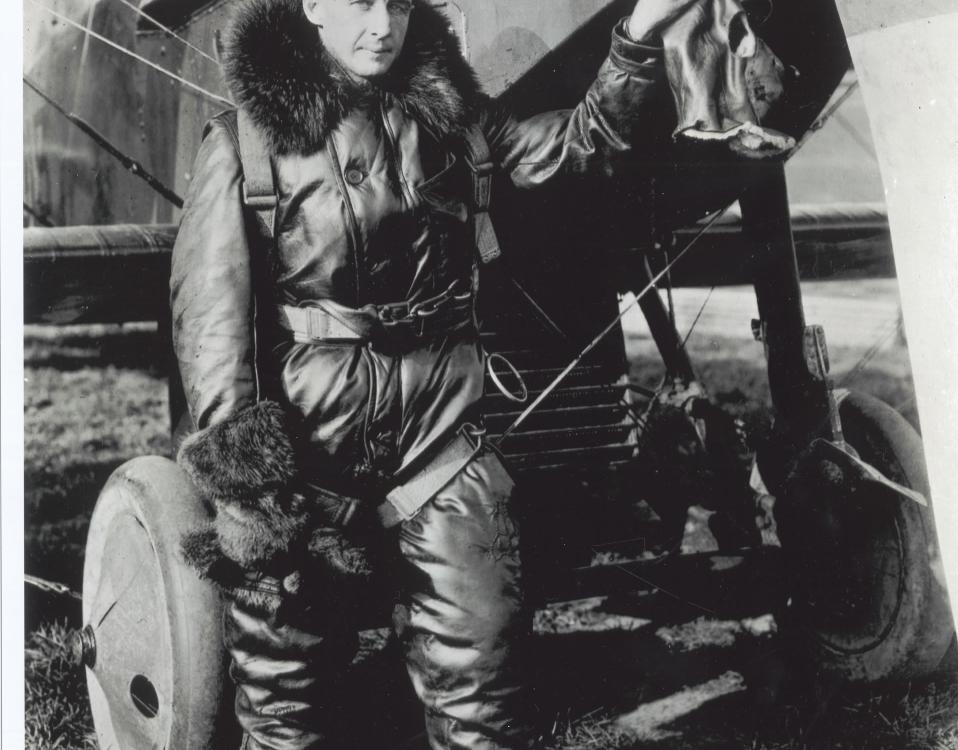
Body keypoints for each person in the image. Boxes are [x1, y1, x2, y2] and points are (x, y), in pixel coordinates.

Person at [169, 0, 698, 747]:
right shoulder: (246, 144)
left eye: (397, 2)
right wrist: (251, 496)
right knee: (286, 702)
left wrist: (640, 33)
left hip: (442, 437)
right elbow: (211, 328)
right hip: (310, 456)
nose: (383, 23)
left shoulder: (455, 119)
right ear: (312, 8)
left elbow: (584, 146)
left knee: (483, 678)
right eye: (358, 3)